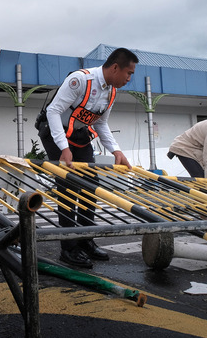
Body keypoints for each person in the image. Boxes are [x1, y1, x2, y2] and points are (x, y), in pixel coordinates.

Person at [37, 47, 138, 268]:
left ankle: (86, 240)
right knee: (68, 187)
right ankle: (69, 248)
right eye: (129, 73)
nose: (130, 78)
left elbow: (100, 123)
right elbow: (54, 111)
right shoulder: (80, 80)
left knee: (90, 186)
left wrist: (116, 151)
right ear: (115, 67)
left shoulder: (111, 91)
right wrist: (63, 147)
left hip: (80, 137)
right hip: (55, 134)